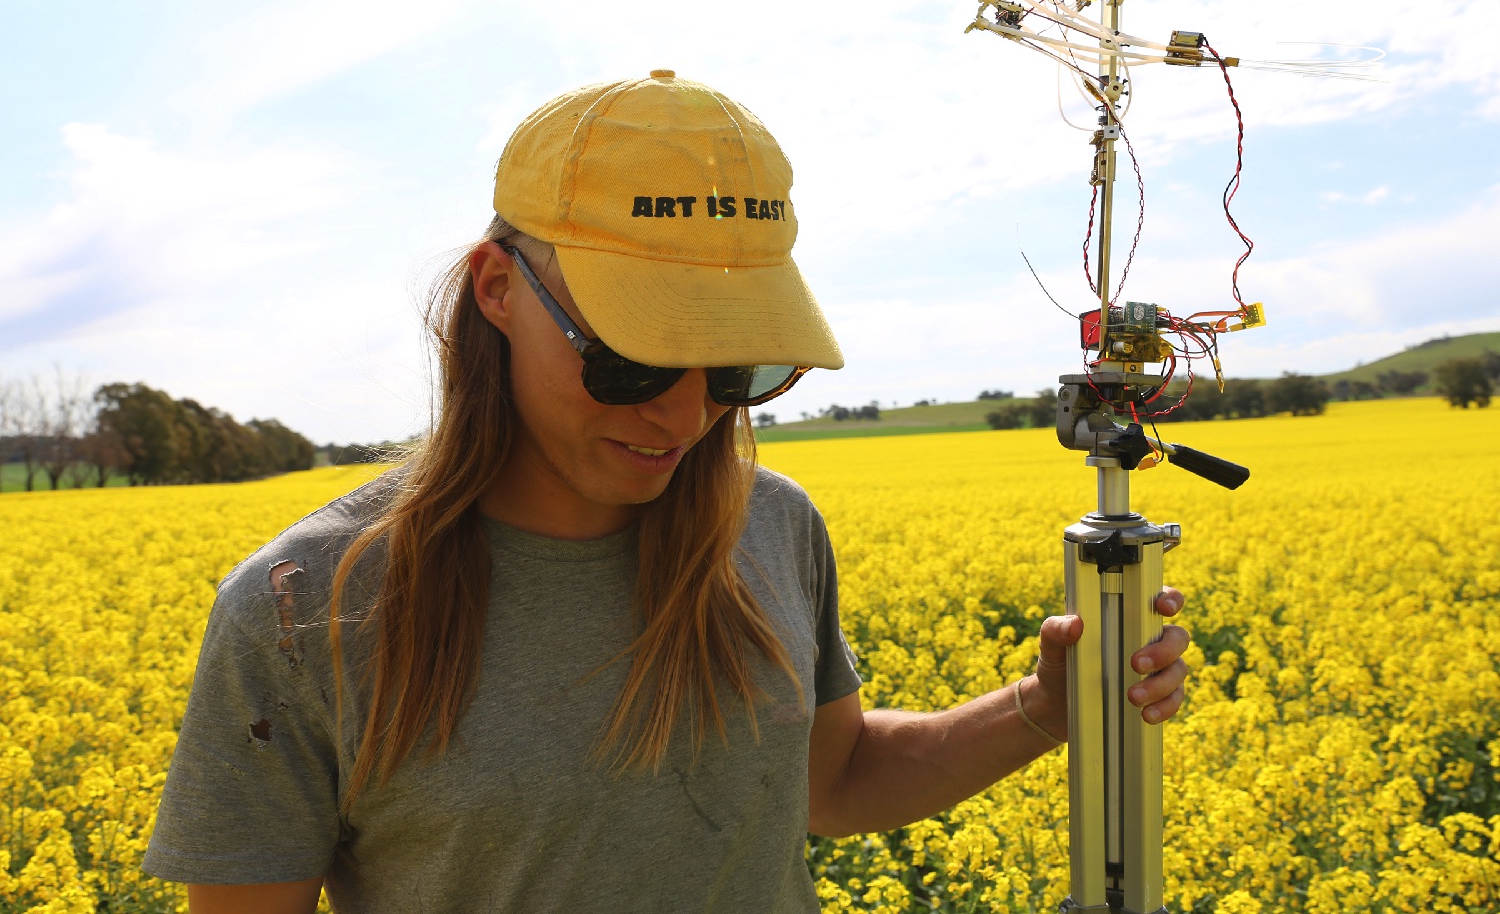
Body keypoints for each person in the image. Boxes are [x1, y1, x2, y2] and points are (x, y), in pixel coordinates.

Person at [142, 70, 1189, 913]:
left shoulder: (772, 523)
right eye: (634, 358)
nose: (684, 418)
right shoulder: (302, 607)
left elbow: (830, 782)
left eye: (734, 370)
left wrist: (1044, 709)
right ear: (498, 289)